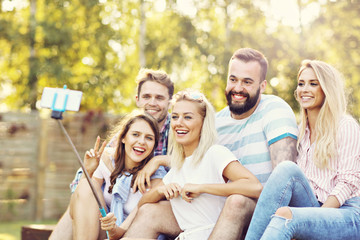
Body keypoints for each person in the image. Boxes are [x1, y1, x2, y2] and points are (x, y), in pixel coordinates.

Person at [123, 48, 299, 239]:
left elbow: (278, 179)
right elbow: (195, 160)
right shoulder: (218, 122)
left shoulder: (274, 109)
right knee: (150, 211)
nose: (238, 87)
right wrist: (158, 165)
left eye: (247, 82)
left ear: (262, 85)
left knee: (236, 201)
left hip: (257, 210)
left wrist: (202, 187)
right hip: (203, 218)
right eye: (233, 79)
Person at [49, 68, 174, 240]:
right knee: (86, 187)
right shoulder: (122, 138)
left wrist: (158, 160)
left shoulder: (178, 129)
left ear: (170, 101)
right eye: (146, 97)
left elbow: (191, 163)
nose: (152, 103)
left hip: (143, 219)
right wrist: (89, 171)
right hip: (108, 216)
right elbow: (80, 191)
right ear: (137, 100)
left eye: (159, 97)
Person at [245, 60, 360, 240]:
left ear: (327, 89)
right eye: (301, 84)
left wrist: (318, 218)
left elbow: (349, 181)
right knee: (286, 171)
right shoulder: (301, 132)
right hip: (314, 205)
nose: (304, 89)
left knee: (287, 215)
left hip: (346, 213)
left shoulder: (346, 126)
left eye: (313, 84)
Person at [72, 110, 165, 240]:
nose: (142, 142)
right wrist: (88, 171)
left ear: (154, 144)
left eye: (149, 138)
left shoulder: (156, 176)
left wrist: (113, 228)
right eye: (135, 134)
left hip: (133, 233)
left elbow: (124, 231)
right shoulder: (107, 158)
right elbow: (79, 203)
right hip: (104, 229)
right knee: (87, 185)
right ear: (122, 137)